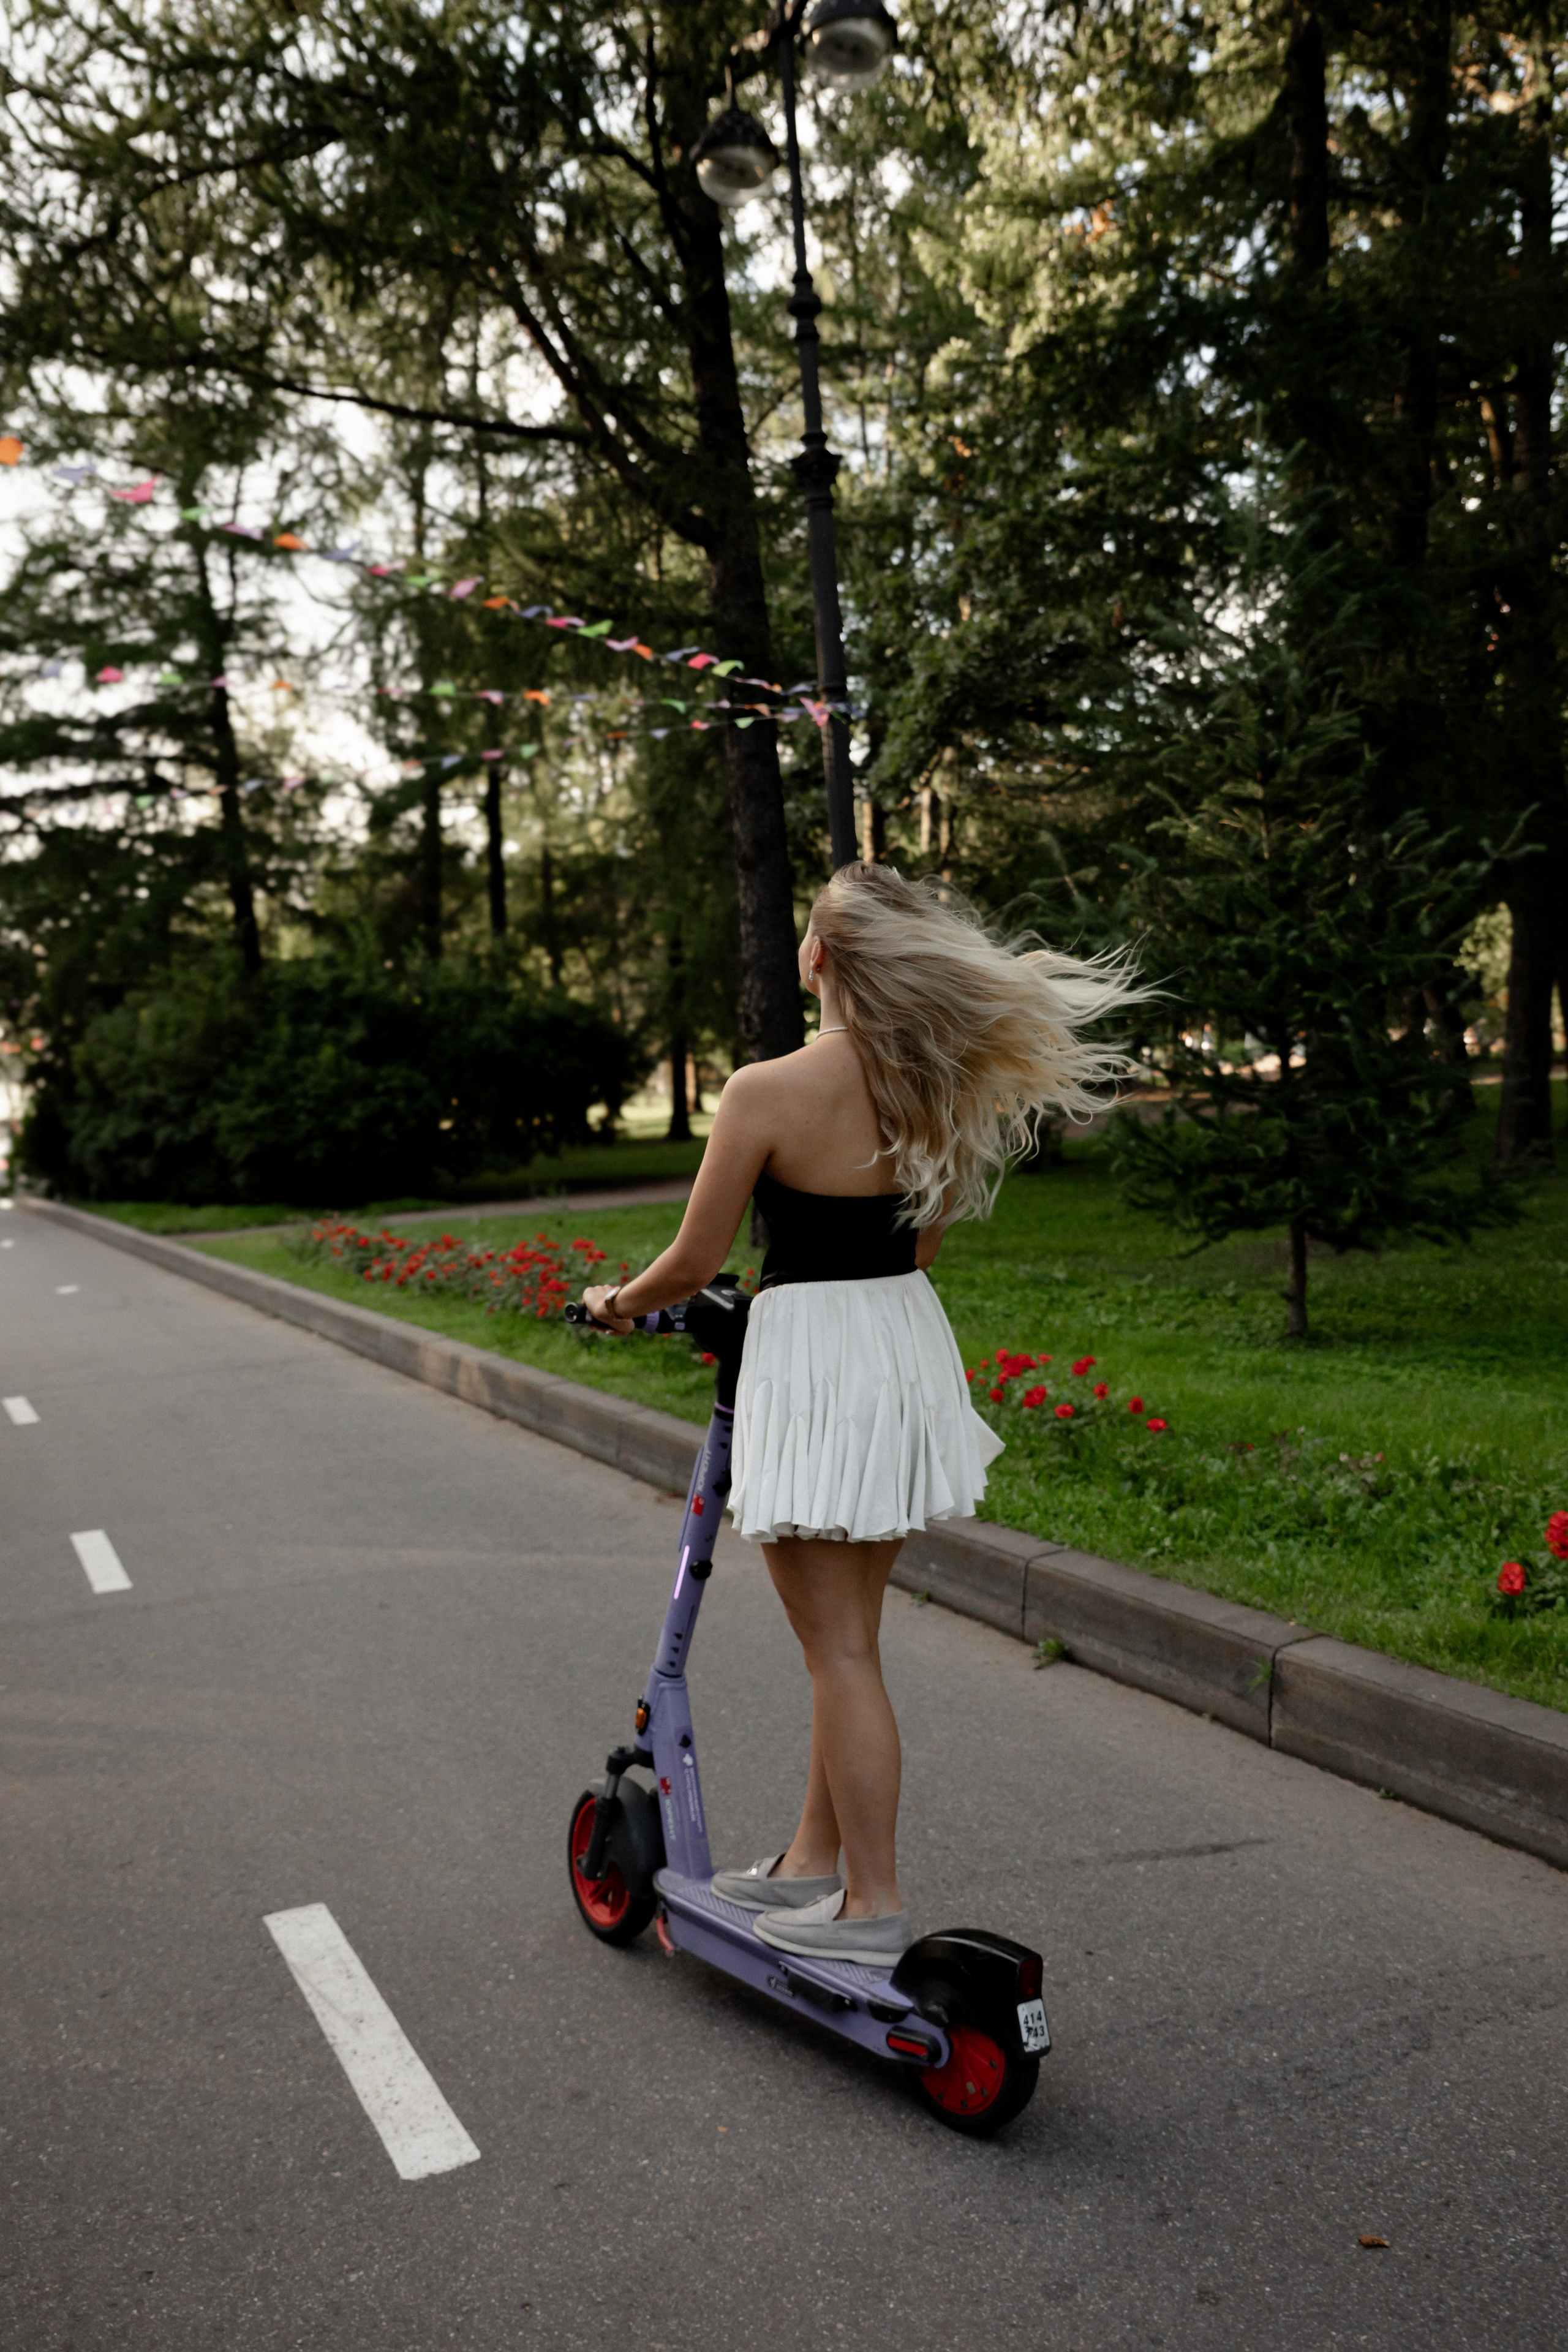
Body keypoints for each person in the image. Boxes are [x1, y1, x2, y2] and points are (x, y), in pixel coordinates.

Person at [582, 863, 1138, 1967]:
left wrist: (613, 1303)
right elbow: (922, 1245)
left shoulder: (764, 1090)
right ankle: (808, 1866)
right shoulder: (935, 1083)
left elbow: (696, 1260)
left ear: (820, 958)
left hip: (815, 1361)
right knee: (850, 1644)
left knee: (837, 1650)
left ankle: (871, 1904)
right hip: (898, 1344)